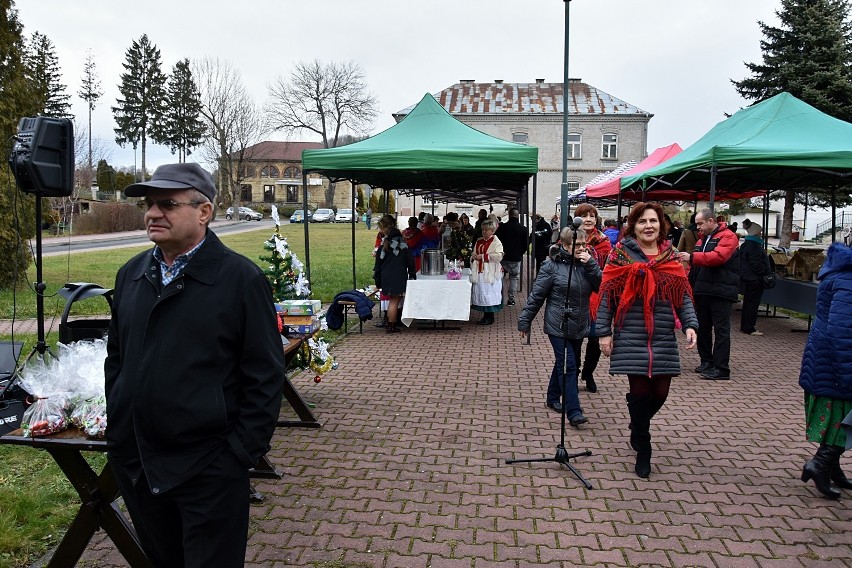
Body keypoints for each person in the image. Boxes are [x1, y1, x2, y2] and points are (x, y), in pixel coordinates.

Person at [104, 163, 285, 567]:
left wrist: (239, 454)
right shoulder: (132, 274)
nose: (153, 213)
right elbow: (117, 359)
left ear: (204, 212)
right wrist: (119, 429)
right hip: (139, 465)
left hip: (209, 469)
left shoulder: (240, 280)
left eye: (167, 203)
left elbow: (265, 376)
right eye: (149, 205)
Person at [595, 201, 698, 478]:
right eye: (642, 221)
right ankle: (644, 448)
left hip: (662, 335)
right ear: (634, 226)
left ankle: (637, 425)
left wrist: (690, 324)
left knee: (660, 393)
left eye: (653, 221)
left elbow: (683, 292)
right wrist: (603, 332)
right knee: (640, 393)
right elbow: (606, 295)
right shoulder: (620, 255)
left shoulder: (670, 256)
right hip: (631, 332)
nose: (648, 226)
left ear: (661, 224)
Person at [518, 226, 601, 426]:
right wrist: (525, 320)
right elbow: (537, 295)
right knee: (569, 365)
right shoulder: (551, 266)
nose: (581, 248)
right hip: (558, 323)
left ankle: (552, 396)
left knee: (564, 362)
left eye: (584, 244)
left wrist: (590, 264)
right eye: (577, 245)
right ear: (564, 245)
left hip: (579, 323)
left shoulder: (587, 263)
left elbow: (601, 286)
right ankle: (573, 411)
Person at [798, 242, 852, 499]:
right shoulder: (848, 279)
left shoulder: (840, 271)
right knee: (843, 418)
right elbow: (843, 330)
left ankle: (832, 468)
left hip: (825, 358)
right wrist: (847, 371)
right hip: (837, 360)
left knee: (838, 417)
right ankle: (819, 464)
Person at [679, 208, 740, 381]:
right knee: (703, 328)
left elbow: (718, 257)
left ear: (711, 221)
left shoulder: (728, 237)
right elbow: (696, 265)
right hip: (703, 290)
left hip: (721, 291)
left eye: (700, 224)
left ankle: (721, 368)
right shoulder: (703, 239)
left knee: (721, 330)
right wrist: (689, 284)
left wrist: (691, 258)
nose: (698, 227)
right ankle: (706, 361)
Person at [573, 203, 613, 394]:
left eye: (592, 216)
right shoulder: (569, 238)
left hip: (597, 296)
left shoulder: (604, 242)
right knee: (576, 338)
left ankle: (588, 373)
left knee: (596, 339)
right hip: (577, 294)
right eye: (584, 215)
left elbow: (610, 269)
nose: (589, 219)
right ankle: (574, 373)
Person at [374, 226, 416, 333]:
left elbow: (377, 266)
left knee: (391, 301)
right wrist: (412, 275)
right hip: (398, 276)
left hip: (385, 277)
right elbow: (410, 263)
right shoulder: (403, 247)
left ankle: (389, 323)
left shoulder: (382, 248)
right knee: (394, 301)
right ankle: (391, 326)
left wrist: (378, 280)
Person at [738, 223, 772, 336]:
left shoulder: (745, 245)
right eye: (760, 232)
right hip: (755, 279)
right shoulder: (754, 246)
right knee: (752, 304)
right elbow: (756, 264)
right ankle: (749, 327)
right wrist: (767, 272)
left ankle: (745, 326)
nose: (761, 234)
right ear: (756, 233)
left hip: (748, 278)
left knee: (748, 303)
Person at [469, 219, 504, 325]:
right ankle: (485, 315)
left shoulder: (496, 242)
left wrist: (484, 257)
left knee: (489, 293)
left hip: (490, 272)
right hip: (480, 271)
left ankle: (490, 316)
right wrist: (474, 255)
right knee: (483, 293)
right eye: (483, 230)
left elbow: (499, 256)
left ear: (492, 231)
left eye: (486, 230)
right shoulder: (479, 241)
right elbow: (474, 251)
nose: (484, 232)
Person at [495, 207, 528, 306]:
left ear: (509, 215)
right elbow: (526, 244)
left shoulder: (502, 227)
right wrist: (520, 253)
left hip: (503, 257)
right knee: (514, 278)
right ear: (518, 216)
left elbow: (497, 241)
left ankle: (499, 298)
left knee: (499, 278)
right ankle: (511, 299)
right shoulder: (523, 229)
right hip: (515, 258)